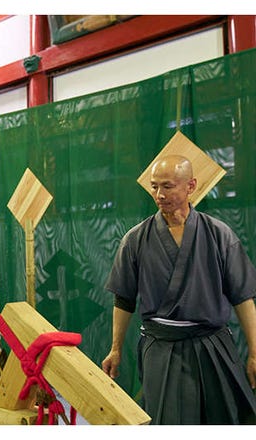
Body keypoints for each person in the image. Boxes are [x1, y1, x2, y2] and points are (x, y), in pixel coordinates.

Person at [101, 154, 256, 424]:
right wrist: (115, 349)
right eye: (154, 186)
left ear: (190, 186)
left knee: (223, 419)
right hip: (161, 347)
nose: (159, 194)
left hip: (212, 345)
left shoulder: (220, 235)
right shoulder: (136, 239)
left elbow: (243, 298)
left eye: (168, 186)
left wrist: (255, 352)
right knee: (166, 422)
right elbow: (123, 299)